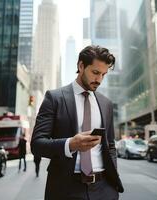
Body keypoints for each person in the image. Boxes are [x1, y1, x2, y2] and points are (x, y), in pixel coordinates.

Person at [31, 45, 124, 200]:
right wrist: (70, 144)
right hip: (66, 188)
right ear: (81, 66)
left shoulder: (106, 104)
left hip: (104, 189)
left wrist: (112, 183)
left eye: (103, 74)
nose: (99, 79)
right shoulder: (54, 98)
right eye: (95, 73)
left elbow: (110, 145)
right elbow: (37, 144)